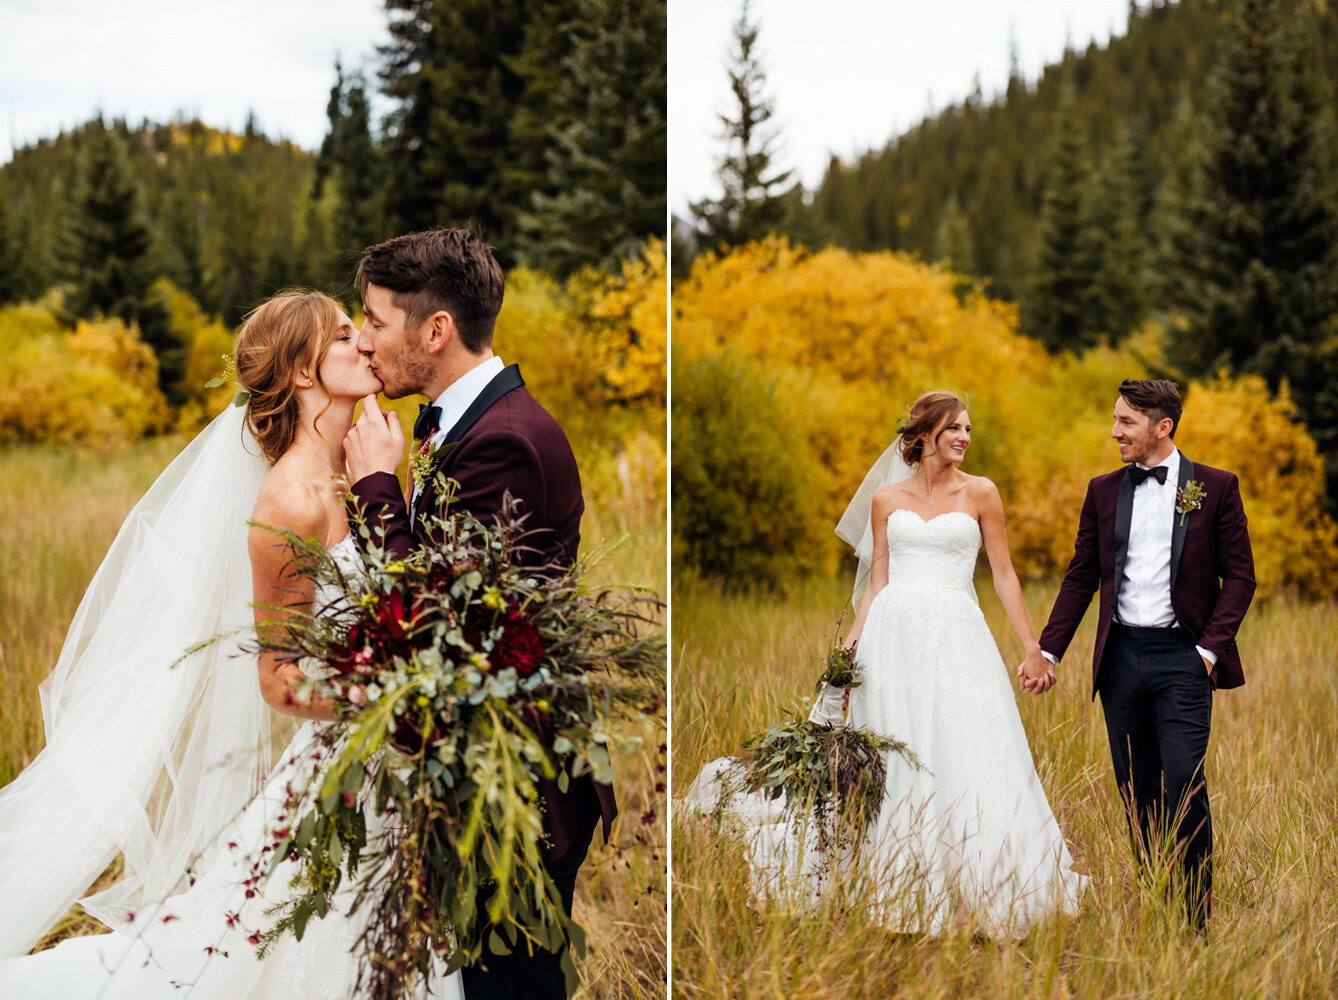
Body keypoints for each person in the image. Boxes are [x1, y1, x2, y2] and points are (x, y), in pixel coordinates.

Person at [0, 291, 462, 998]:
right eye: (345, 335)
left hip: (397, 761)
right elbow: (278, 677)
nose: (364, 344)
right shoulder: (289, 500)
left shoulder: (357, 472)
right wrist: (383, 699)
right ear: (304, 374)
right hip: (350, 757)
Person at [685, 390, 1085, 937]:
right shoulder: (886, 500)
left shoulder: (982, 493)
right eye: (955, 429)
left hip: (956, 638)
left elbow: (1004, 575)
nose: (965, 438)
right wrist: (846, 655)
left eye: (969, 429)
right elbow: (877, 585)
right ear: (924, 435)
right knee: (891, 751)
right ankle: (891, 882)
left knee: (964, 747)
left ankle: (977, 880)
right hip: (891, 639)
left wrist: (1031, 646)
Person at [343, 228, 613, 1000]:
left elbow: (441, 623)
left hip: (519, 783)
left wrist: (375, 489)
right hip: (483, 761)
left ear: (436, 330)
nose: (364, 342)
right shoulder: (461, 423)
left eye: (375, 320)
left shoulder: (507, 443)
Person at [1036, 378, 1255, 930]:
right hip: (1121, 660)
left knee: (1184, 782)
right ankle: (1161, 905)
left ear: (1164, 428)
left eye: (1126, 423)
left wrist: (1207, 651)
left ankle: (1197, 920)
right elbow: (1081, 576)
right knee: (1139, 794)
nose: (1114, 432)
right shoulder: (1103, 490)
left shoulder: (1216, 487)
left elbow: (1242, 579)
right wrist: (1049, 652)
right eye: (1114, 420)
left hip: (1183, 658)